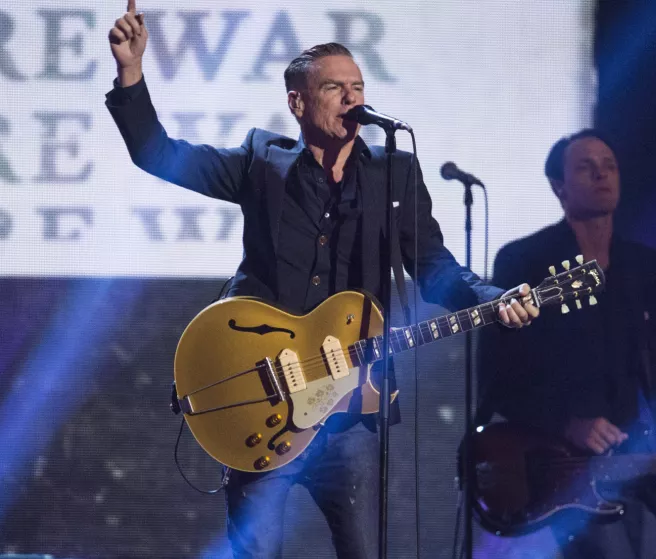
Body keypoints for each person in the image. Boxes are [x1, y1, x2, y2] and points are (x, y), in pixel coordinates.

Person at [105, 2, 539, 558]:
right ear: (298, 102)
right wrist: (131, 73)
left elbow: (434, 269)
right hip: (265, 404)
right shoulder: (261, 163)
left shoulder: (394, 173)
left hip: (351, 412)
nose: (353, 99)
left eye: (358, 86)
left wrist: (495, 299)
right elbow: (157, 154)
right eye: (336, 88)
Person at [477, 129, 656, 559]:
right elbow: (497, 376)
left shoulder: (648, 269)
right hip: (556, 466)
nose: (602, 174)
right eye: (586, 167)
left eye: (610, 165)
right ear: (558, 186)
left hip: (634, 461)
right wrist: (569, 423)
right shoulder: (523, 261)